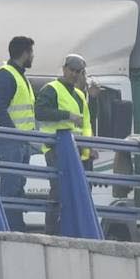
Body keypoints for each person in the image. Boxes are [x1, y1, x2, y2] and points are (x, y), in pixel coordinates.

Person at [35, 53, 93, 234]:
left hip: (78, 151)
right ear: (64, 69)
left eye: (78, 71)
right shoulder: (51, 89)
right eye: (72, 70)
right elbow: (40, 112)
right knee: (59, 192)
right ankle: (52, 232)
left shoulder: (79, 95)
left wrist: (89, 148)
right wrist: (66, 115)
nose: (75, 74)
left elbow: (86, 124)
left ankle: (73, 230)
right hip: (56, 148)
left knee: (79, 193)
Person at [0, 36, 36, 232]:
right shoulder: (6, 75)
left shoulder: (17, 75)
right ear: (24, 53)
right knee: (11, 187)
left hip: (20, 142)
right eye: (31, 52)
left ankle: (16, 228)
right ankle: (10, 229)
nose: (33, 56)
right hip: (11, 142)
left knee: (17, 188)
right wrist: (15, 134)